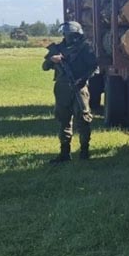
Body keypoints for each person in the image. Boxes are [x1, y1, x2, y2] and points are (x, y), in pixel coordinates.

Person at [43, 21, 98, 163]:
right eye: (67, 34)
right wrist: (52, 59)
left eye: (72, 34)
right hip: (62, 88)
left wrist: (83, 79)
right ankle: (64, 153)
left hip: (80, 87)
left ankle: (84, 152)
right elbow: (44, 66)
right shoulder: (58, 48)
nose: (69, 37)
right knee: (64, 119)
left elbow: (93, 66)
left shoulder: (85, 48)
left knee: (84, 119)